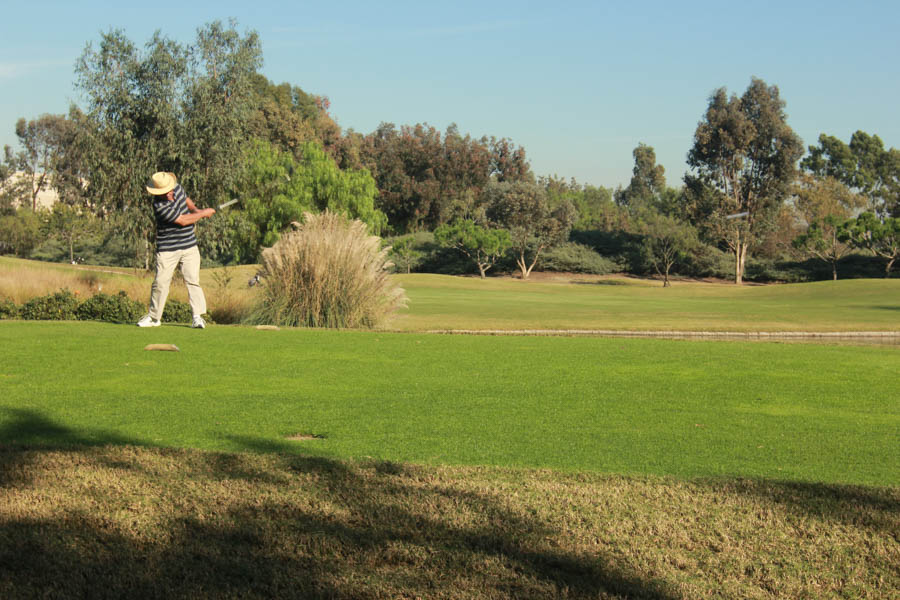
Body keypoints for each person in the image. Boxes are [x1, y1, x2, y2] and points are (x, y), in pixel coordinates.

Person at [137, 171, 215, 329]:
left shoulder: (176, 188)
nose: (170, 193)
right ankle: (154, 318)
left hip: (189, 245)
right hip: (168, 249)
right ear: (159, 193)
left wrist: (196, 210)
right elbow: (182, 221)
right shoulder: (159, 206)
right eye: (166, 192)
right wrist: (203, 215)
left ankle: (197, 317)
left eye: (170, 189)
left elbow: (186, 200)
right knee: (160, 282)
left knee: (193, 280)